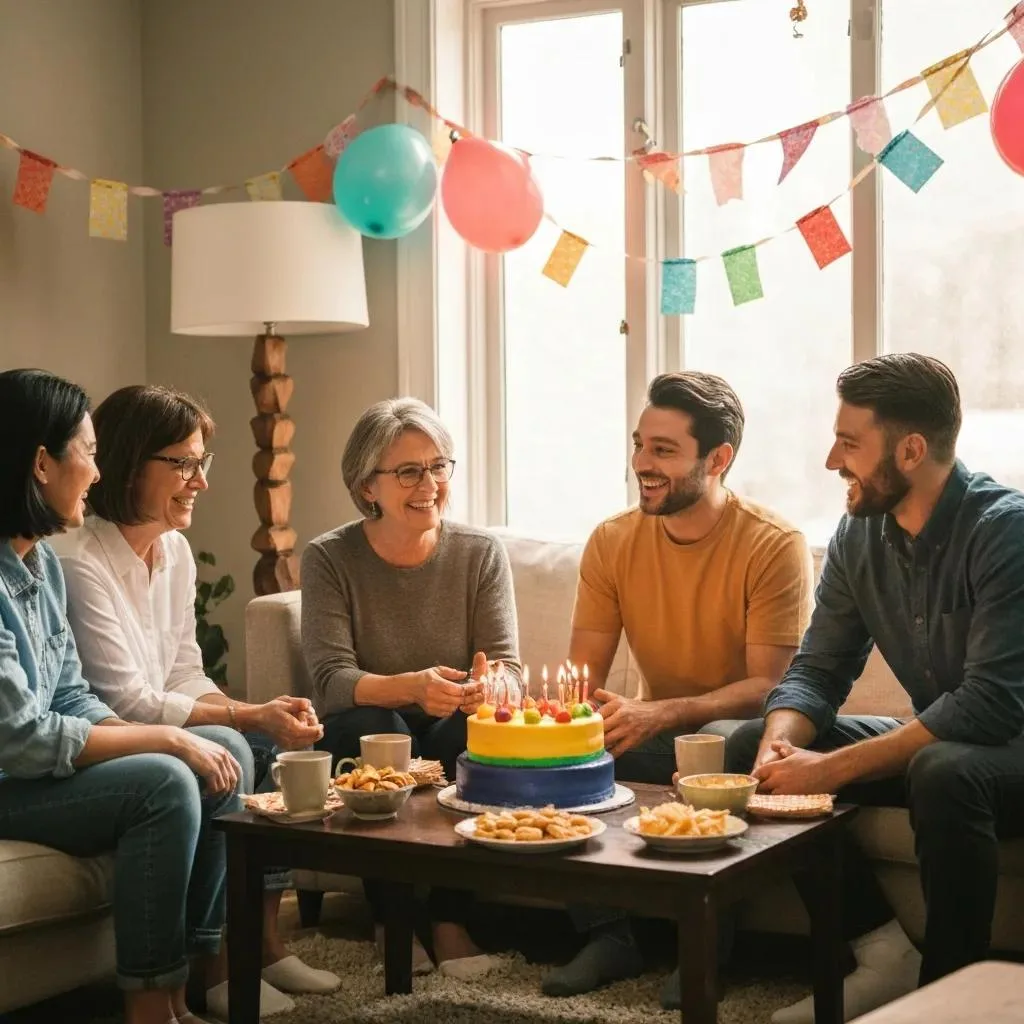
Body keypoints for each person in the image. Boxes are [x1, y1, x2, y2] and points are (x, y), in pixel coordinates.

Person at [726, 353, 1024, 1023]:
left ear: (911, 450)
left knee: (945, 772)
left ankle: (954, 1000)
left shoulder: (1006, 530)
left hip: (1009, 749)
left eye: (849, 443)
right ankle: (883, 952)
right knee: (746, 742)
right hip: (941, 748)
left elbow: (990, 705)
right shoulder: (859, 534)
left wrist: (826, 769)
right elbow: (818, 669)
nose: (832, 460)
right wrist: (780, 747)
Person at [52, 384, 338, 1017]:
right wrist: (244, 715)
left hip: (153, 720)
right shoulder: (78, 562)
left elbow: (184, 670)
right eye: (183, 464)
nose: (200, 481)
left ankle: (261, 943)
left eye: (201, 462)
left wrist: (261, 713)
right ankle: (212, 963)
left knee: (269, 744)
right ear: (131, 463)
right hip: (112, 735)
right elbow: (127, 699)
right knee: (237, 737)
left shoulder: (175, 551)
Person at [543, 371, 814, 1006]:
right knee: (563, 746)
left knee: (717, 742)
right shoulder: (612, 540)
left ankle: (706, 950)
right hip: (654, 730)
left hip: (735, 734)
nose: (642, 463)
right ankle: (608, 934)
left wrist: (664, 712)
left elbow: (771, 687)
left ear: (718, 459)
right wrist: (567, 724)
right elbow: (583, 679)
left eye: (663, 450)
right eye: (640, 445)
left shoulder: (774, 544)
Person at [0, 368, 249, 1024]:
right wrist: (163, 738)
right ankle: (149, 1009)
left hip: (34, 771)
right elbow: (20, 738)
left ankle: (181, 995)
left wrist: (173, 739)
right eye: (87, 453)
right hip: (10, 777)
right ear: (41, 465)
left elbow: (73, 695)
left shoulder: (38, 565)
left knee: (202, 757)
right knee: (163, 782)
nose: (98, 471)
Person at [302, 397, 520, 980]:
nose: (429, 485)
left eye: (438, 466)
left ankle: (449, 919)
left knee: (474, 732)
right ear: (366, 485)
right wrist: (411, 688)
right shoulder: (329, 557)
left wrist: (492, 686)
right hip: (372, 720)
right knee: (378, 731)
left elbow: (510, 669)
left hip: (451, 719)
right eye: (408, 472)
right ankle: (390, 919)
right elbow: (330, 682)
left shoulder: (480, 553)